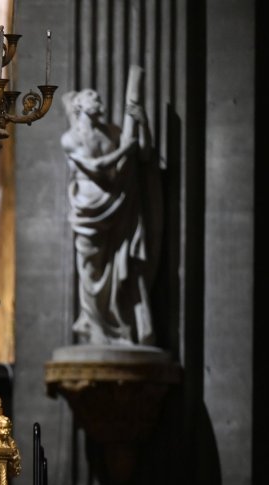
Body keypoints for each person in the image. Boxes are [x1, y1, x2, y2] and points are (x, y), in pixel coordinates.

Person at [61, 77, 159, 346]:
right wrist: (124, 150)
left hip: (119, 206)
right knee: (91, 272)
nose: (98, 99)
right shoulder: (69, 139)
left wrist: (142, 123)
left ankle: (118, 327)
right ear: (79, 104)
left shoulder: (114, 131)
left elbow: (144, 155)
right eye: (92, 96)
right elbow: (95, 167)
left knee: (117, 268)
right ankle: (95, 328)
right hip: (87, 211)